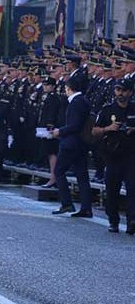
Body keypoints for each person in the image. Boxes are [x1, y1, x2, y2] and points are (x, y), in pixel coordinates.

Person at [91, 78, 135, 234]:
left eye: (123, 90)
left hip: (131, 156)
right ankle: (113, 221)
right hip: (113, 156)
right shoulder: (107, 109)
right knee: (112, 190)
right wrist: (108, 128)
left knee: (132, 189)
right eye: (118, 90)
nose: (120, 93)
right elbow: (94, 131)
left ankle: (132, 221)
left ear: (130, 92)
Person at [50, 72, 93, 218]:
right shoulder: (84, 101)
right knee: (82, 176)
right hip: (81, 143)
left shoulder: (76, 102)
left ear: (69, 88)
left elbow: (74, 125)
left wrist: (59, 131)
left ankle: (66, 203)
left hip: (71, 143)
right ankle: (86, 207)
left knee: (59, 171)